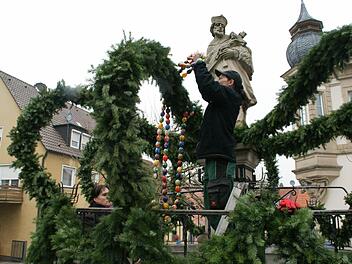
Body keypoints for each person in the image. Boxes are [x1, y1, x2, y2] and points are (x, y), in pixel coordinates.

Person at [188, 52, 244, 229]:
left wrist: (199, 64)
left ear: (231, 82)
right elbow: (210, 86)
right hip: (218, 152)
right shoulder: (227, 98)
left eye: (222, 77)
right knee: (214, 192)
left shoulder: (230, 96)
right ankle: (221, 233)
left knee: (217, 194)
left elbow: (208, 87)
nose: (219, 79)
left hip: (220, 154)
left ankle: (225, 235)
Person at [205, 15, 256, 126]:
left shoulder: (232, 39)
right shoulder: (211, 46)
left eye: (222, 26)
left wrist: (234, 53)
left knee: (237, 96)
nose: (220, 27)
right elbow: (208, 62)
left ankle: (239, 123)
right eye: (217, 25)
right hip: (218, 76)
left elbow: (246, 51)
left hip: (234, 72)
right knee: (221, 99)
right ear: (212, 28)